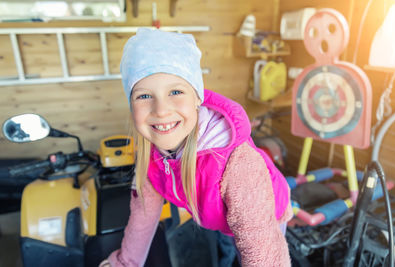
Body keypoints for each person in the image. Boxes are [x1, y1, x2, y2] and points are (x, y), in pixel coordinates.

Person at [100, 28, 293, 267]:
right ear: (131, 106)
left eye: (175, 91)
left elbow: (264, 254)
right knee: (226, 246)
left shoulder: (236, 164)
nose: (161, 110)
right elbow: (143, 215)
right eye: (144, 96)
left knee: (245, 249)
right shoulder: (151, 156)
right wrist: (124, 263)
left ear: (197, 98)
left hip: (263, 218)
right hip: (217, 215)